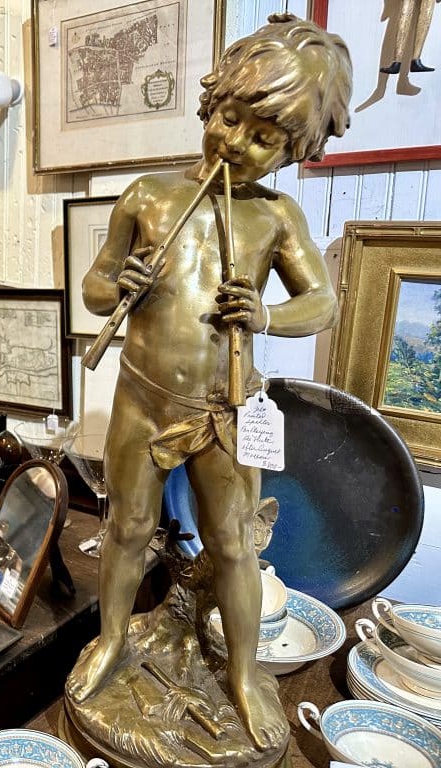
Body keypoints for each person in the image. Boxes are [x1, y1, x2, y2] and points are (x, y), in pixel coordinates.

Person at [67, 14, 352, 752]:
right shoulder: (148, 196)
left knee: (232, 543)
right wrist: (117, 284)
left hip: (226, 403)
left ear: (295, 152)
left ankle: (243, 672)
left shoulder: (276, 216)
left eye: (266, 139)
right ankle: (109, 645)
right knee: (126, 529)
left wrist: (267, 314)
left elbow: (322, 302)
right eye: (231, 119)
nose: (238, 144)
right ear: (210, 104)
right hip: (139, 395)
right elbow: (96, 287)